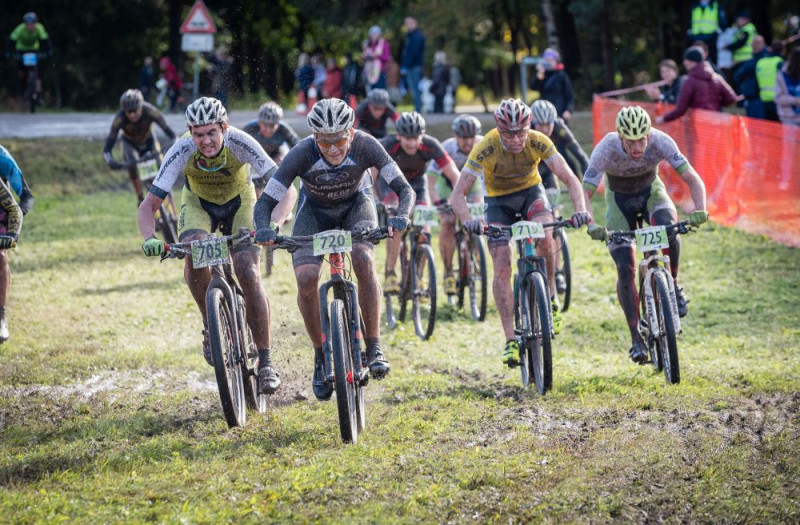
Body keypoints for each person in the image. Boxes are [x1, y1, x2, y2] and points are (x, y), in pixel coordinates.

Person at [252, 98, 415, 400]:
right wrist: (264, 228)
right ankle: (319, 354)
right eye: (325, 143)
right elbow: (264, 203)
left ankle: (374, 346)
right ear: (315, 137)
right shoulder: (301, 153)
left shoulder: (367, 145)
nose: (334, 149)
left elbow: (405, 189)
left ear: (351, 133)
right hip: (313, 213)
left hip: (356, 206)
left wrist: (402, 215)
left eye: (340, 140)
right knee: (305, 278)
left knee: (364, 259)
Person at [137, 97, 297, 395]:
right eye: (198, 134)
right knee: (194, 254)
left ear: (224, 128)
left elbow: (286, 190)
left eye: (211, 132)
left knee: (247, 270)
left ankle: (265, 362)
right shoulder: (182, 149)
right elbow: (149, 205)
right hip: (198, 204)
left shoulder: (241, 142)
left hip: (241, 202)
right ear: (190, 133)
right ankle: (210, 325)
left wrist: (274, 222)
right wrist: (149, 238)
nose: (205, 141)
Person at [450, 99, 591, 366]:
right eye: (509, 134)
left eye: (521, 132)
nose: (516, 139)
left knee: (546, 235)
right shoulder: (486, 146)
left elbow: (570, 179)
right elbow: (458, 195)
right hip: (498, 203)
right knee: (502, 264)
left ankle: (549, 297)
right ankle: (510, 339)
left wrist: (581, 209)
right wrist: (468, 220)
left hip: (531, 195)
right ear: (499, 130)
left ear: (529, 127)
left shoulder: (538, 140)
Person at [584, 106, 709, 364]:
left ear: (648, 135)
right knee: (625, 267)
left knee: (670, 230)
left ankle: (672, 286)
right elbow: (585, 191)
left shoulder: (660, 140)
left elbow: (692, 178)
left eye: (642, 139)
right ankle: (635, 338)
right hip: (619, 202)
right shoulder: (606, 148)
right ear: (620, 137)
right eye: (630, 142)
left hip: (651, 194)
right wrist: (591, 224)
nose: (638, 146)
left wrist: (701, 209)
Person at [378, 112, 460, 293]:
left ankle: (420, 276)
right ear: (398, 136)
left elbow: (454, 175)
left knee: (424, 231)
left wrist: (456, 199)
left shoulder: (430, 145)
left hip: (417, 186)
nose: (412, 142)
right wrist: (376, 199)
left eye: (415, 137)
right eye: (407, 138)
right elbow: (371, 174)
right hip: (392, 187)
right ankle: (390, 273)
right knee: (396, 225)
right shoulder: (387, 145)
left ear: (421, 136)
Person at [426, 115, 484, 295]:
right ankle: (449, 272)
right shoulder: (447, 148)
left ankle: (474, 252)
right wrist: (439, 202)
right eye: (464, 138)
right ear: (456, 136)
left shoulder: (483, 145)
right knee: (448, 221)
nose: (468, 142)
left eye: (471, 138)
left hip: (472, 184)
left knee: (477, 218)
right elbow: (430, 180)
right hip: (446, 185)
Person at [103, 89, 177, 204]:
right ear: (124, 111)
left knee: (161, 166)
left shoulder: (150, 110)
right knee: (132, 164)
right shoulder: (119, 119)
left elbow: (166, 127)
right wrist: (110, 160)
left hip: (149, 140)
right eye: (129, 111)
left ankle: (171, 204)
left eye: (135, 110)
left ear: (141, 107)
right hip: (130, 143)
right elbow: (109, 144)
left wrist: (174, 140)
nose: (132, 114)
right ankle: (140, 198)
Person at [530, 99, 590, 210]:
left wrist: (588, 182)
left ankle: (555, 222)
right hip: (529, 169)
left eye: (548, 124)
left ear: (554, 121)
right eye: (540, 125)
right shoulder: (526, 130)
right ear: (533, 122)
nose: (545, 129)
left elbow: (580, 155)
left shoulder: (559, 127)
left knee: (553, 202)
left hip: (547, 167)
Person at [655, 46, 738, 124]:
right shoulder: (717, 78)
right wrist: (715, 104)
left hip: (699, 124)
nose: (684, 62)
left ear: (692, 61)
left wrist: (664, 118)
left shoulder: (689, 81)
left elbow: (680, 109)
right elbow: (731, 98)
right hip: (716, 120)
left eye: (686, 60)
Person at [0, 145, 31, 342]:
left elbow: (19, 204)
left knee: (0, 256)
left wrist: (11, 235)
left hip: (3, 209)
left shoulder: (2, 159)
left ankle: (0, 316)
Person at [6, 12, 51, 101]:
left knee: (37, 74)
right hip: (21, 50)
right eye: (28, 24)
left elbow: (45, 40)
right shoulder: (20, 29)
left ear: (35, 23)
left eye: (32, 24)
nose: (30, 26)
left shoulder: (39, 28)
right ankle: (22, 90)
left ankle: (38, 95)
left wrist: (48, 51)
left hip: (34, 50)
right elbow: (11, 40)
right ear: (25, 24)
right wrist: (8, 52)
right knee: (21, 71)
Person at [242, 101, 300, 167]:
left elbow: (298, 147)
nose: (268, 130)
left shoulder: (284, 129)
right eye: (265, 125)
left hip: (277, 152)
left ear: (277, 125)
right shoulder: (249, 129)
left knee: (282, 157)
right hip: (255, 154)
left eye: (272, 126)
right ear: (259, 122)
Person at [775, 47, 800, 190]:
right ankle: (785, 181)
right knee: (788, 152)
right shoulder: (782, 75)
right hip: (789, 119)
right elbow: (778, 98)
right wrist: (796, 100)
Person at [529, 48, 574, 123]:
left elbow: (569, 96)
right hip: (544, 113)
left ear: (556, 62)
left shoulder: (562, 76)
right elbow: (533, 87)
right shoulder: (542, 74)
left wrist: (568, 110)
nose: (548, 62)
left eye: (551, 60)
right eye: (546, 60)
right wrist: (539, 73)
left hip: (559, 113)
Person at [733, 35, 770, 118]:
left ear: (763, 45)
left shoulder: (754, 62)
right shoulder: (757, 59)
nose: (754, 46)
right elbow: (737, 76)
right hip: (756, 98)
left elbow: (737, 75)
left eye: (756, 44)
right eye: (753, 44)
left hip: (756, 99)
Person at [688, 1, 726, 65]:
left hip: (711, 39)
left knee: (711, 62)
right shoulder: (694, 6)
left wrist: (714, 35)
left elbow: (723, 25)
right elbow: (690, 23)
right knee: (695, 61)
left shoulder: (716, 6)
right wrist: (691, 35)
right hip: (696, 38)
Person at [755, 40, 785, 122]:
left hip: (763, 101)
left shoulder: (760, 62)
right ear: (782, 50)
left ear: (770, 49)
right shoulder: (779, 62)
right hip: (777, 101)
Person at [401, 17, 426, 112]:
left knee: (415, 88)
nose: (407, 25)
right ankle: (418, 108)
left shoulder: (417, 36)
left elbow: (413, 52)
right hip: (411, 66)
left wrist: (406, 64)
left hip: (414, 66)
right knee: (414, 88)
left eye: (409, 23)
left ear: (415, 23)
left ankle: (418, 109)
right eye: (406, 23)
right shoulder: (411, 35)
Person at [726, 11, 757, 79]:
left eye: (739, 19)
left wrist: (727, 47)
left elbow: (740, 43)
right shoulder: (742, 29)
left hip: (746, 59)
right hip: (741, 60)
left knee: (740, 80)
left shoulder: (747, 29)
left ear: (746, 20)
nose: (738, 21)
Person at [362, 26, 391, 91]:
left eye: (376, 33)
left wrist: (377, 56)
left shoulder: (383, 43)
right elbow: (363, 59)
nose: (374, 35)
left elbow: (387, 58)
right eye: (373, 33)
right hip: (369, 72)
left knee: (380, 92)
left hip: (380, 72)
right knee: (371, 92)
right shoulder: (367, 44)